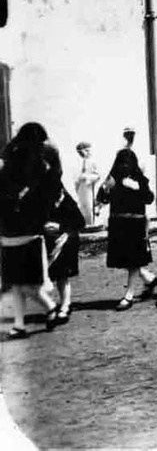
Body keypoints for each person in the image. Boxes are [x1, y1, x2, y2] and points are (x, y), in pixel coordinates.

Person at [0, 123, 62, 336]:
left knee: (24, 284)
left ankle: (49, 308)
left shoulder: (20, 167)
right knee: (19, 284)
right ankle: (19, 324)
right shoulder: (34, 169)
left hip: (22, 233)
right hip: (18, 232)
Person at [104, 149, 157, 311]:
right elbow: (102, 198)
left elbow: (149, 198)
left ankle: (129, 294)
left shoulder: (140, 179)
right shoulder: (113, 178)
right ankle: (149, 278)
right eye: (121, 163)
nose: (124, 166)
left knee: (133, 260)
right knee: (126, 259)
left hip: (135, 224)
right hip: (118, 224)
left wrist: (137, 188)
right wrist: (106, 189)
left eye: (127, 163)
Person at [44, 184, 85, 325]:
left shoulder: (67, 202)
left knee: (62, 276)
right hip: (48, 242)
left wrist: (60, 227)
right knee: (45, 276)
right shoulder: (43, 201)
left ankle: (65, 305)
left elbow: (80, 222)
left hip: (65, 242)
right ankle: (50, 305)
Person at [74, 141, 102, 227]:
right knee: (82, 206)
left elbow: (98, 175)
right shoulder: (77, 162)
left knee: (89, 207)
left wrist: (87, 177)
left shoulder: (93, 162)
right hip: (81, 188)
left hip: (89, 187)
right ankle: (83, 224)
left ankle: (90, 224)